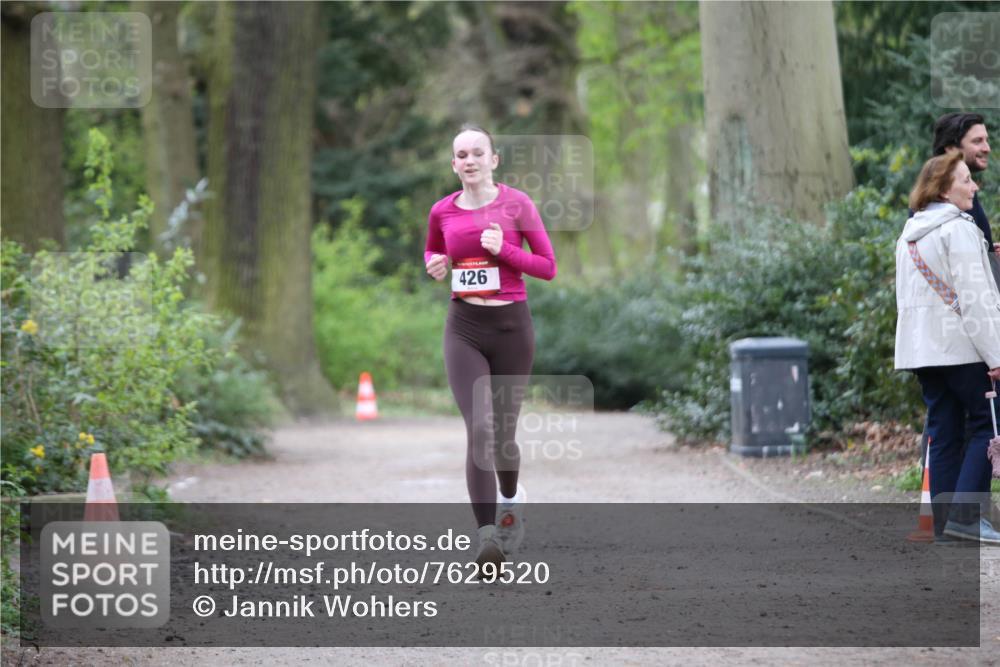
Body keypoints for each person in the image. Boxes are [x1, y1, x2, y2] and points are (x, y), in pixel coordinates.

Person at [424, 124, 557, 569]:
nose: (470, 161)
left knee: (502, 437)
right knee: (479, 429)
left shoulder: (517, 204)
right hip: (464, 328)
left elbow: (548, 267)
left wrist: (505, 251)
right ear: (453, 164)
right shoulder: (442, 211)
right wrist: (435, 264)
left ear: (493, 160)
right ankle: (486, 539)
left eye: (478, 153)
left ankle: (511, 500)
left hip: (511, 330)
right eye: (462, 155)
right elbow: (432, 252)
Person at [895, 150, 1000, 545]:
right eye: (966, 180)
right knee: (988, 425)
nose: (974, 187)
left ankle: (945, 525)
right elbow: (977, 300)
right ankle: (966, 518)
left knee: (944, 432)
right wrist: (997, 355)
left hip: (923, 352)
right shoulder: (959, 230)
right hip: (964, 348)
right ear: (943, 189)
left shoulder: (909, 235)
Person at [932, 112, 995, 256]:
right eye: (977, 141)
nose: (987, 148)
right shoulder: (946, 197)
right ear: (951, 148)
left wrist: (988, 251)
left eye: (986, 140)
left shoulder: (962, 190)